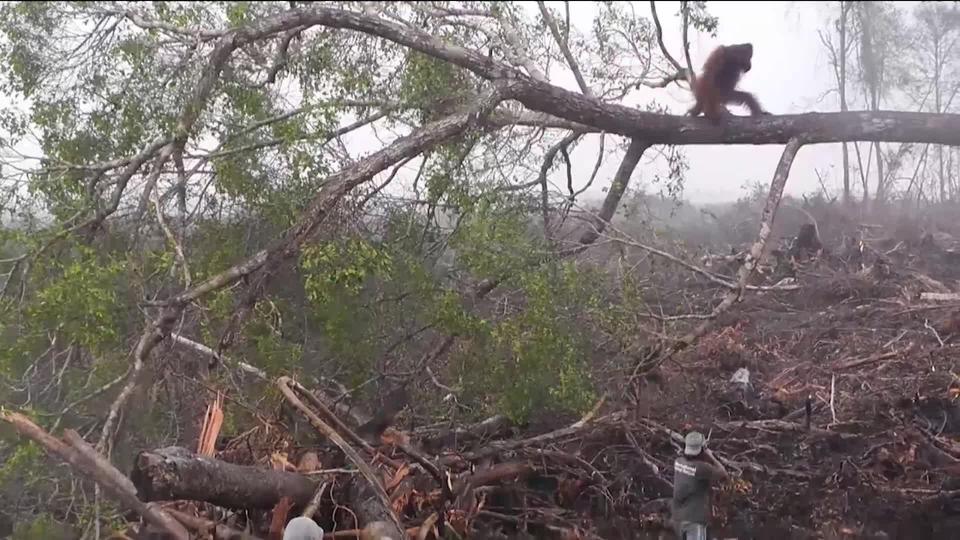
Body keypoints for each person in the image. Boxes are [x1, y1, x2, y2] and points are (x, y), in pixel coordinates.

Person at [671, 431, 728, 540]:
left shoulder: (678, 462)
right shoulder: (702, 468)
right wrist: (710, 456)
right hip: (694, 519)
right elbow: (723, 474)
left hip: (678, 517)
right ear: (702, 449)